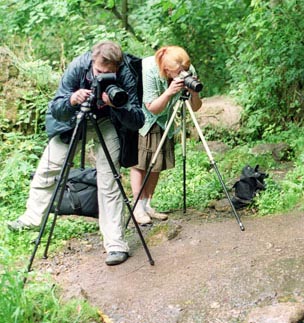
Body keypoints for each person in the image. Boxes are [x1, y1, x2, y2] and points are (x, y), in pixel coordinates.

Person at [7, 40, 145, 266]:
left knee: (110, 179)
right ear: (92, 61)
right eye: (99, 72)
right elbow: (56, 108)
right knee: (48, 168)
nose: (102, 76)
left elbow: (137, 120)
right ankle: (31, 218)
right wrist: (72, 99)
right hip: (74, 120)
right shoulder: (78, 67)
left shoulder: (126, 74)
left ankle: (116, 244)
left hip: (107, 121)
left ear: (117, 68)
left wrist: (117, 105)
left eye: (108, 74)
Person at [130, 45, 202, 224]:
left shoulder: (186, 70)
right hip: (145, 118)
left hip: (166, 120)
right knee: (140, 163)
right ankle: (137, 207)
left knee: (157, 162)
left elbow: (196, 107)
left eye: (184, 70)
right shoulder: (149, 70)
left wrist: (193, 93)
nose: (182, 74)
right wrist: (169, 92)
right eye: (177, 72)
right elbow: (152, 108)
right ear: (165, 69)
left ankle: (147, 205)